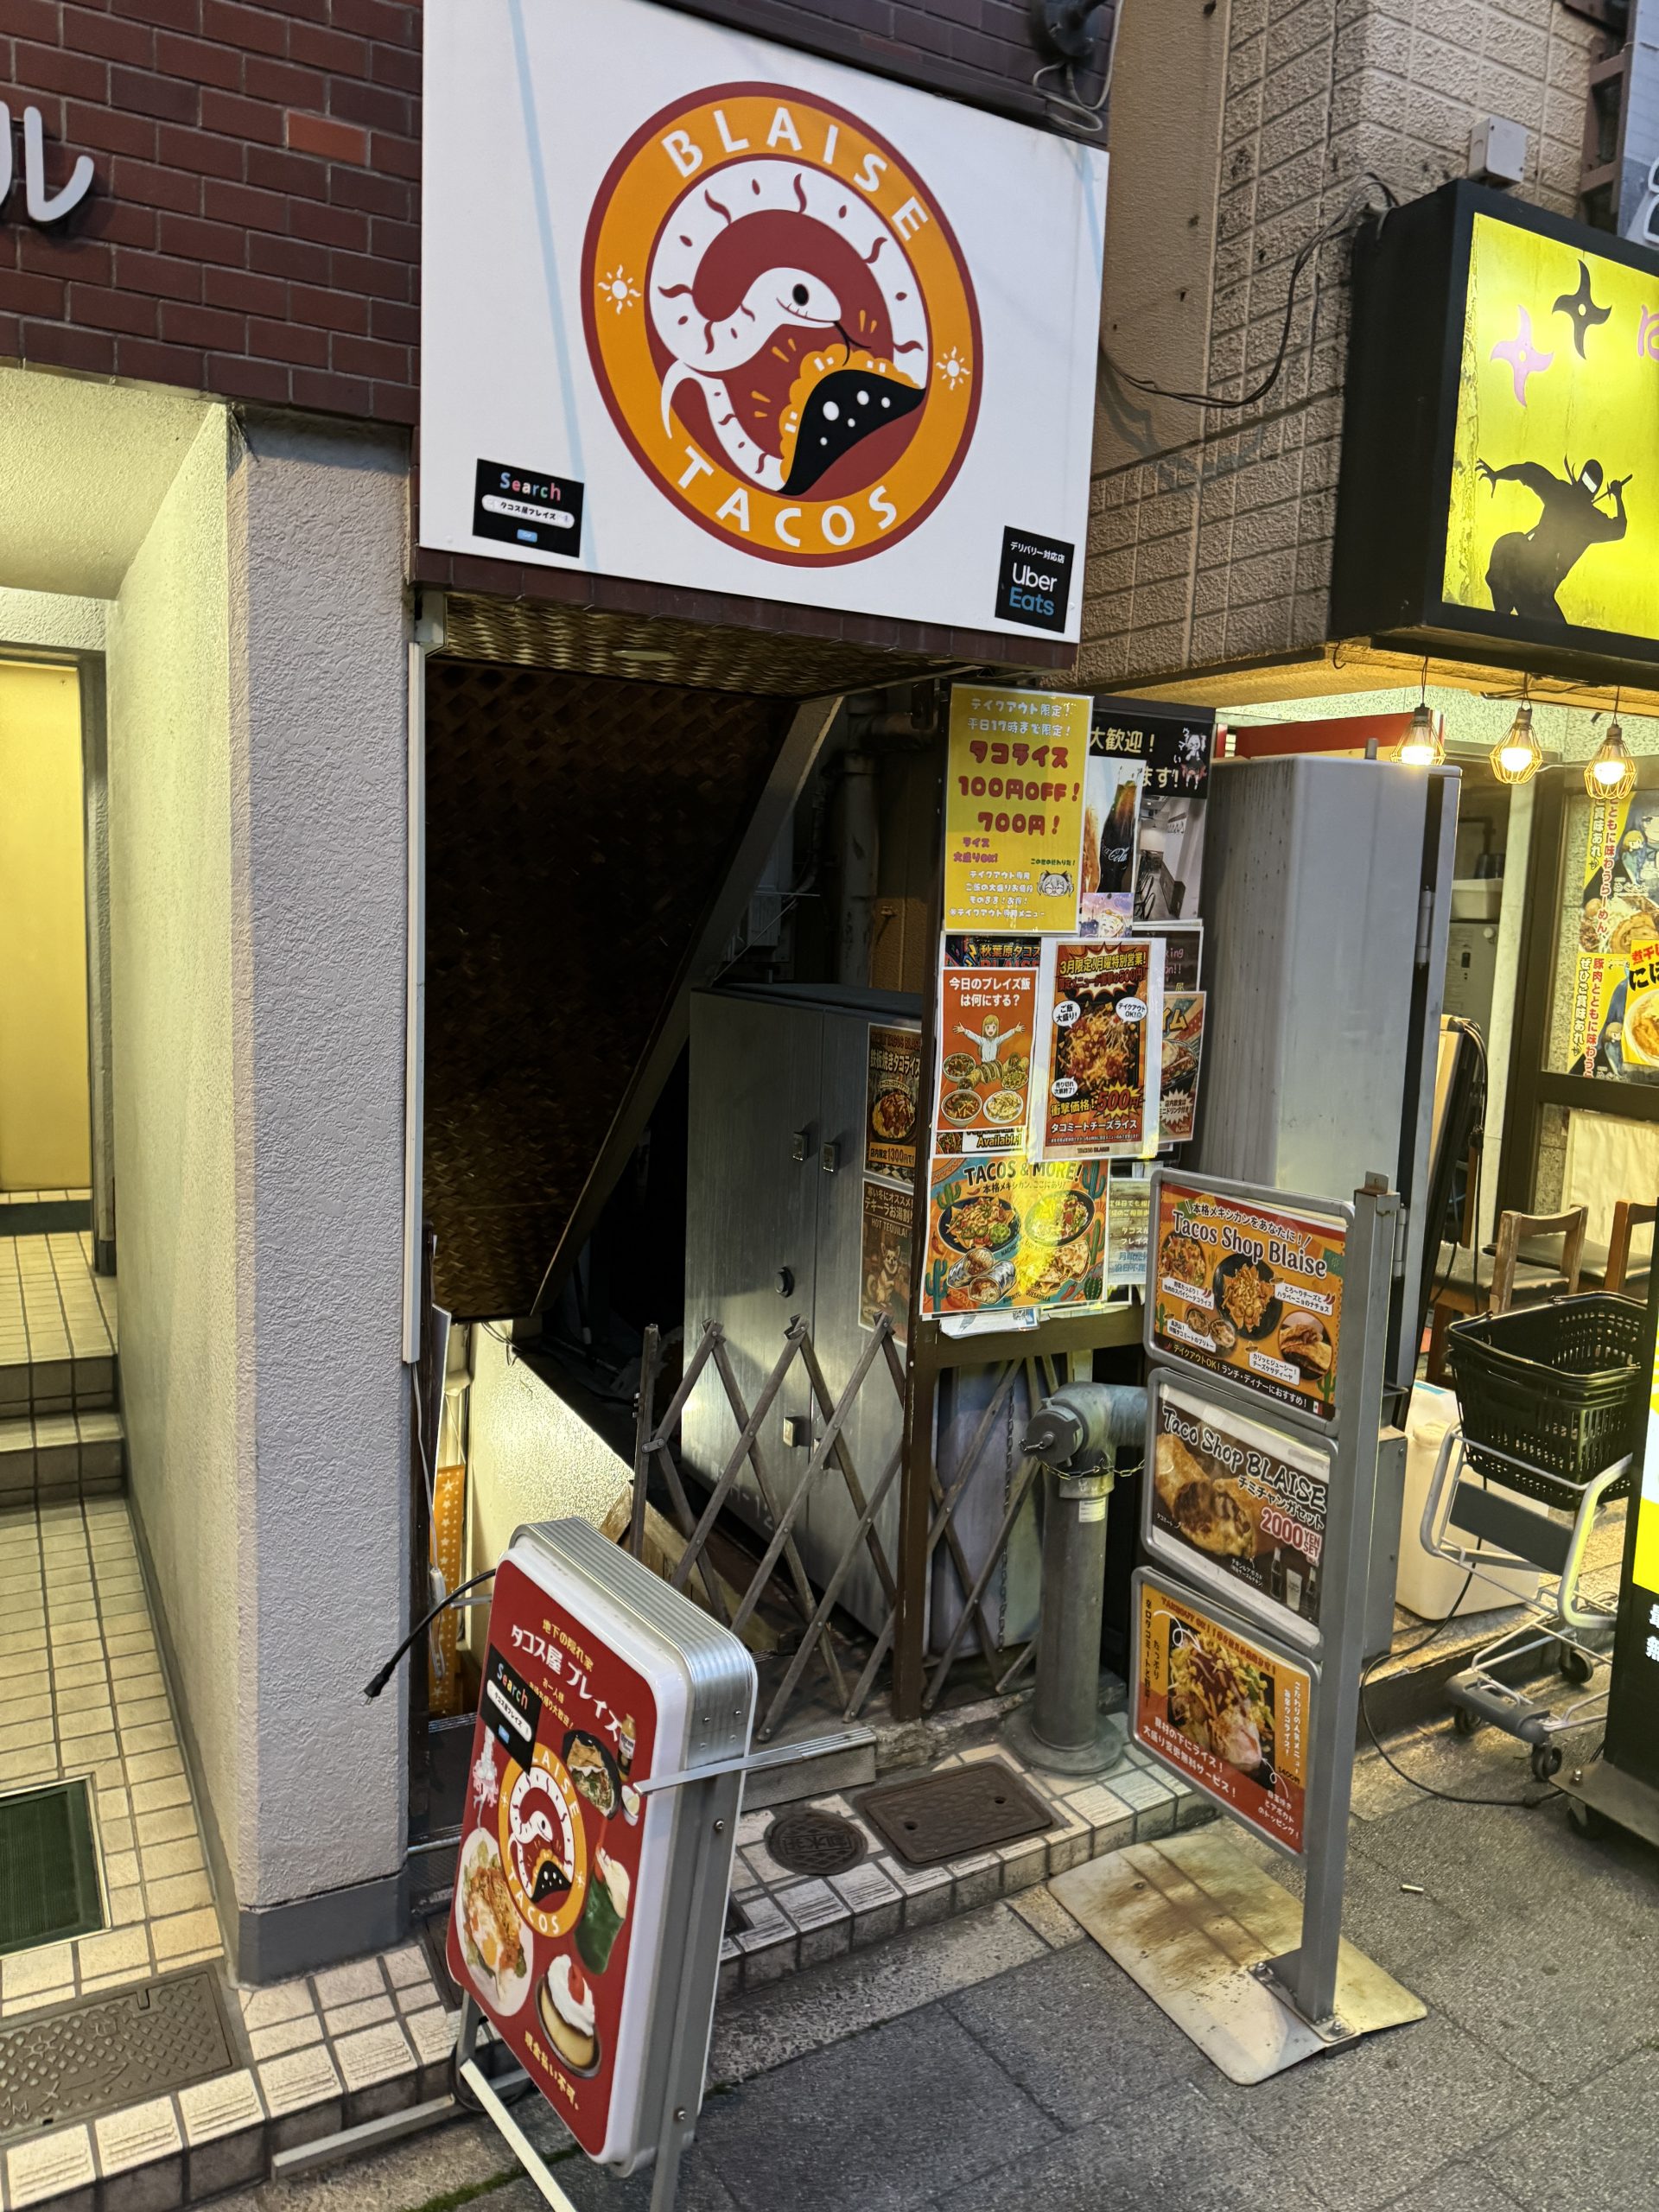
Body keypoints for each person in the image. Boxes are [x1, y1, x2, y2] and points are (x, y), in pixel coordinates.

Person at [1477, 455, 1630, 621]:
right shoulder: (1590, 520)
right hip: (1537, 590)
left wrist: (1497, 474)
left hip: (1525, 578)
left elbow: (1527, 471)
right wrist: (1617, 496)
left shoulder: (1560, 492)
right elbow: (1619, 529)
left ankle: (1502, 614)